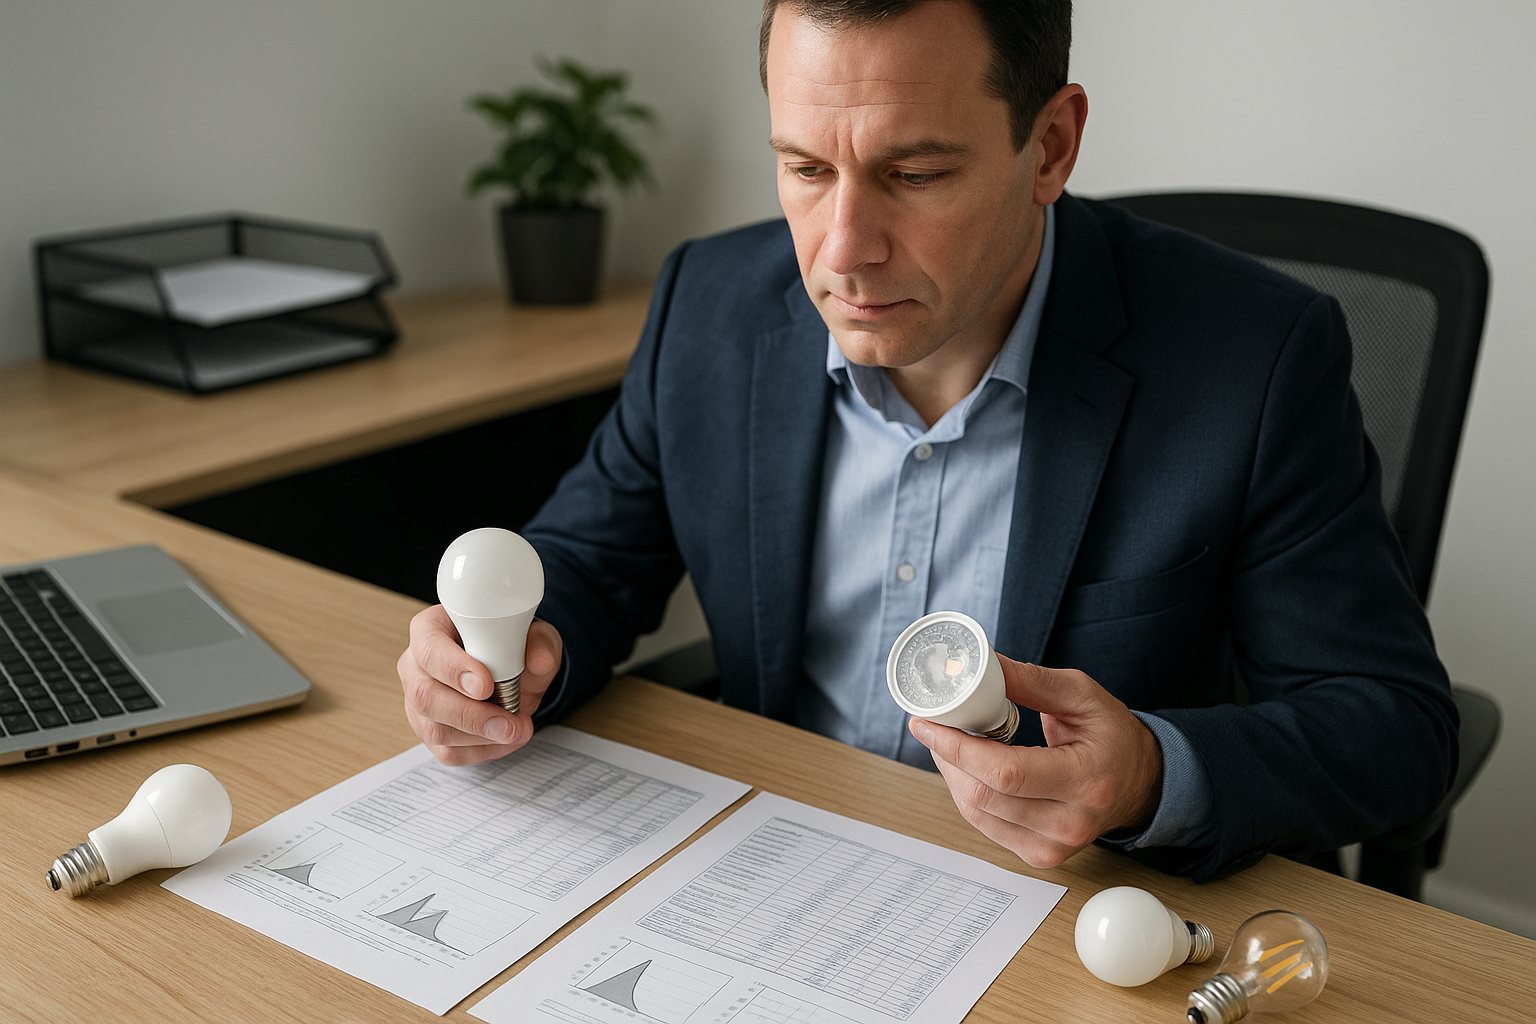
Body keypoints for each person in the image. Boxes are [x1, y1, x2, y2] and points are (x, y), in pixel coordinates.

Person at [398, 0, 1457, 882]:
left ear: (1050, 146)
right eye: (806, 169)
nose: (843, 252)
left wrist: (1146, 774)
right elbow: (591, 562)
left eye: (913, 174)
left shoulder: (1256, 357)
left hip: (1076, 912)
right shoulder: (709, 303)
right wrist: (504, 656)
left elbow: (1395, 728)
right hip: (773, 870)